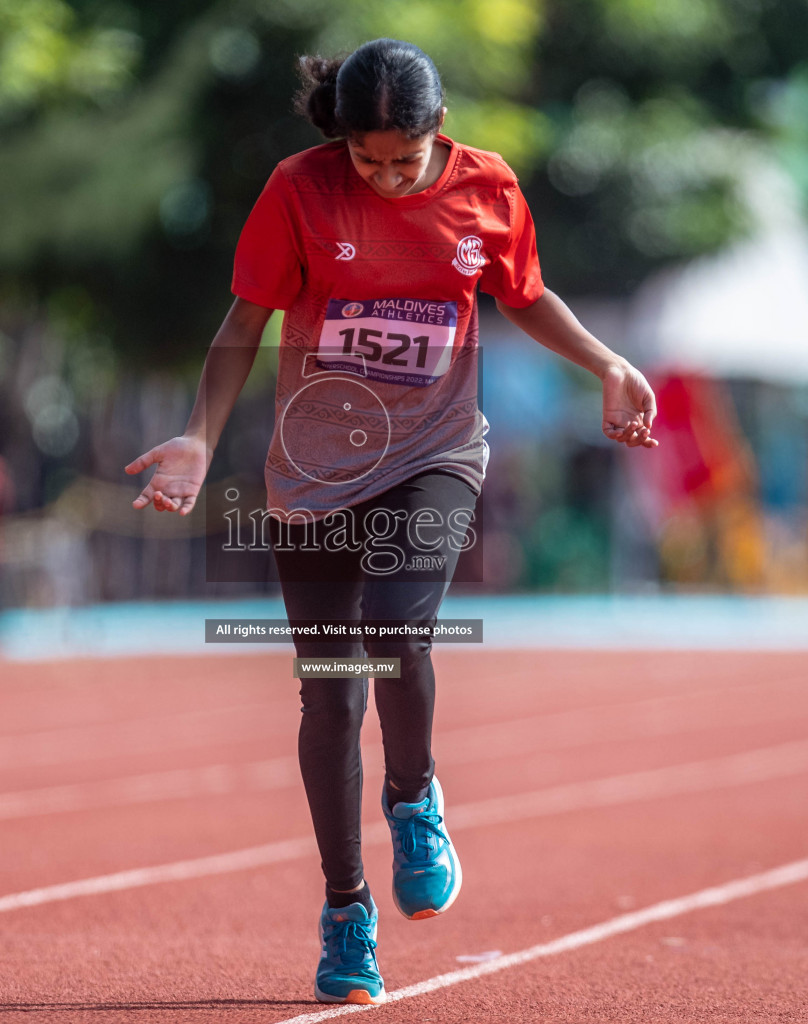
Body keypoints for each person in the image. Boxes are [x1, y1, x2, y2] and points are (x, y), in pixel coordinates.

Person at [126, 38, 658, 1005]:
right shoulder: (300, 189)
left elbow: (524, 296)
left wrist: (609, 365)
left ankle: (413, 796)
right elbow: (244, 322)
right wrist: (198, 439)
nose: (379, 176)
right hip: (316, 472)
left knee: (396, 628)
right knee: (329, 695)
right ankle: (346, 909)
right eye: (364, 160)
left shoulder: (487, 190)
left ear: (436, 130)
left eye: (399, 162)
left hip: (435, 452)